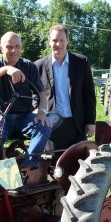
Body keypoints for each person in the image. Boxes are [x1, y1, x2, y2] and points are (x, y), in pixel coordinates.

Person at [0, 31, 52, 173]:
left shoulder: (29, 66)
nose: (14, 50)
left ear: (21, 48)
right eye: (9, 47)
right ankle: (0, 175)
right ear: (1, 49)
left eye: (17, 46)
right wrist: (6, 69)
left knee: (45, 125)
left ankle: (27, 166)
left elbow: (41, 94)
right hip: (2, 117)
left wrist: (42, 112)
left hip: (24, 117)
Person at [35, 24, 96, 154]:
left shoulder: (81, 62)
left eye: (62, 40)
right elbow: (35, 96)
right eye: (55, 40)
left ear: (67, 41)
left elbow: (89, 94)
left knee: (78, 163)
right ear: (49, 41)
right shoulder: (38, 66)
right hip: (52, 125)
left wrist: (91, 122)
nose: (58, 44)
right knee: (53, 164)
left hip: (76, 124)